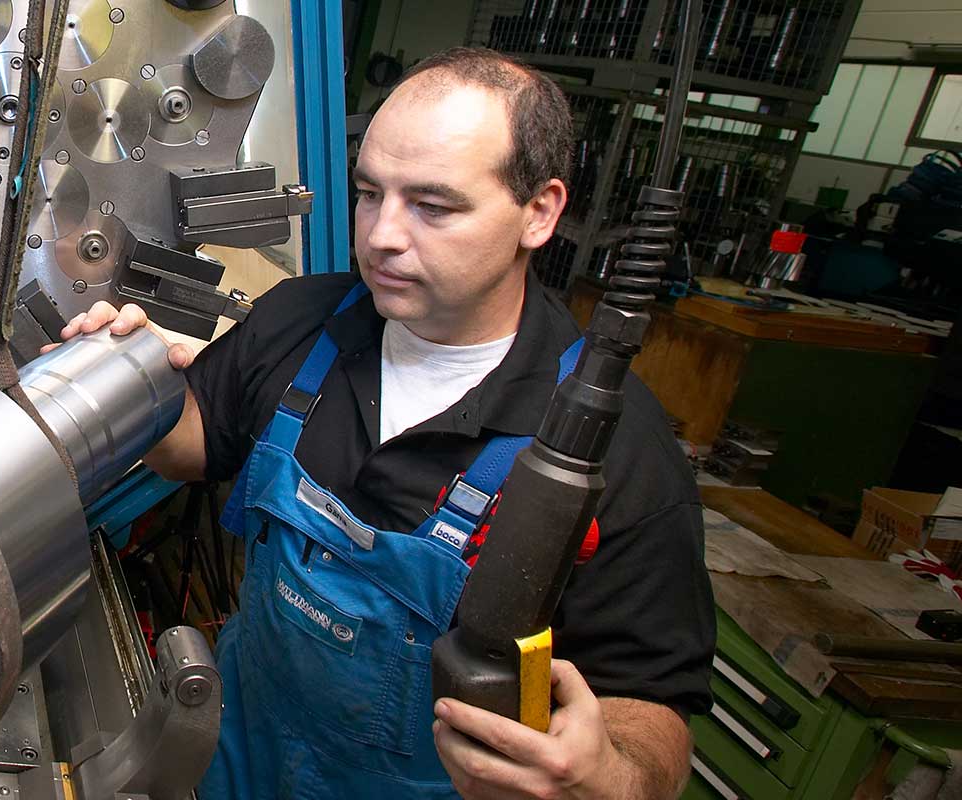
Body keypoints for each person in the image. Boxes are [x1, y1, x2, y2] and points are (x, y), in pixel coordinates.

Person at [49, 48, 714, 798]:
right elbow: (192, 447)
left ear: (540, 212)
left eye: (432, 206)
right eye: (370, 194)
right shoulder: (306, 321)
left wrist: (611, 777)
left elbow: (653, 717)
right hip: (234, 762)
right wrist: (129, 379)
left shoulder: (615, 450)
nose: (381, 235)